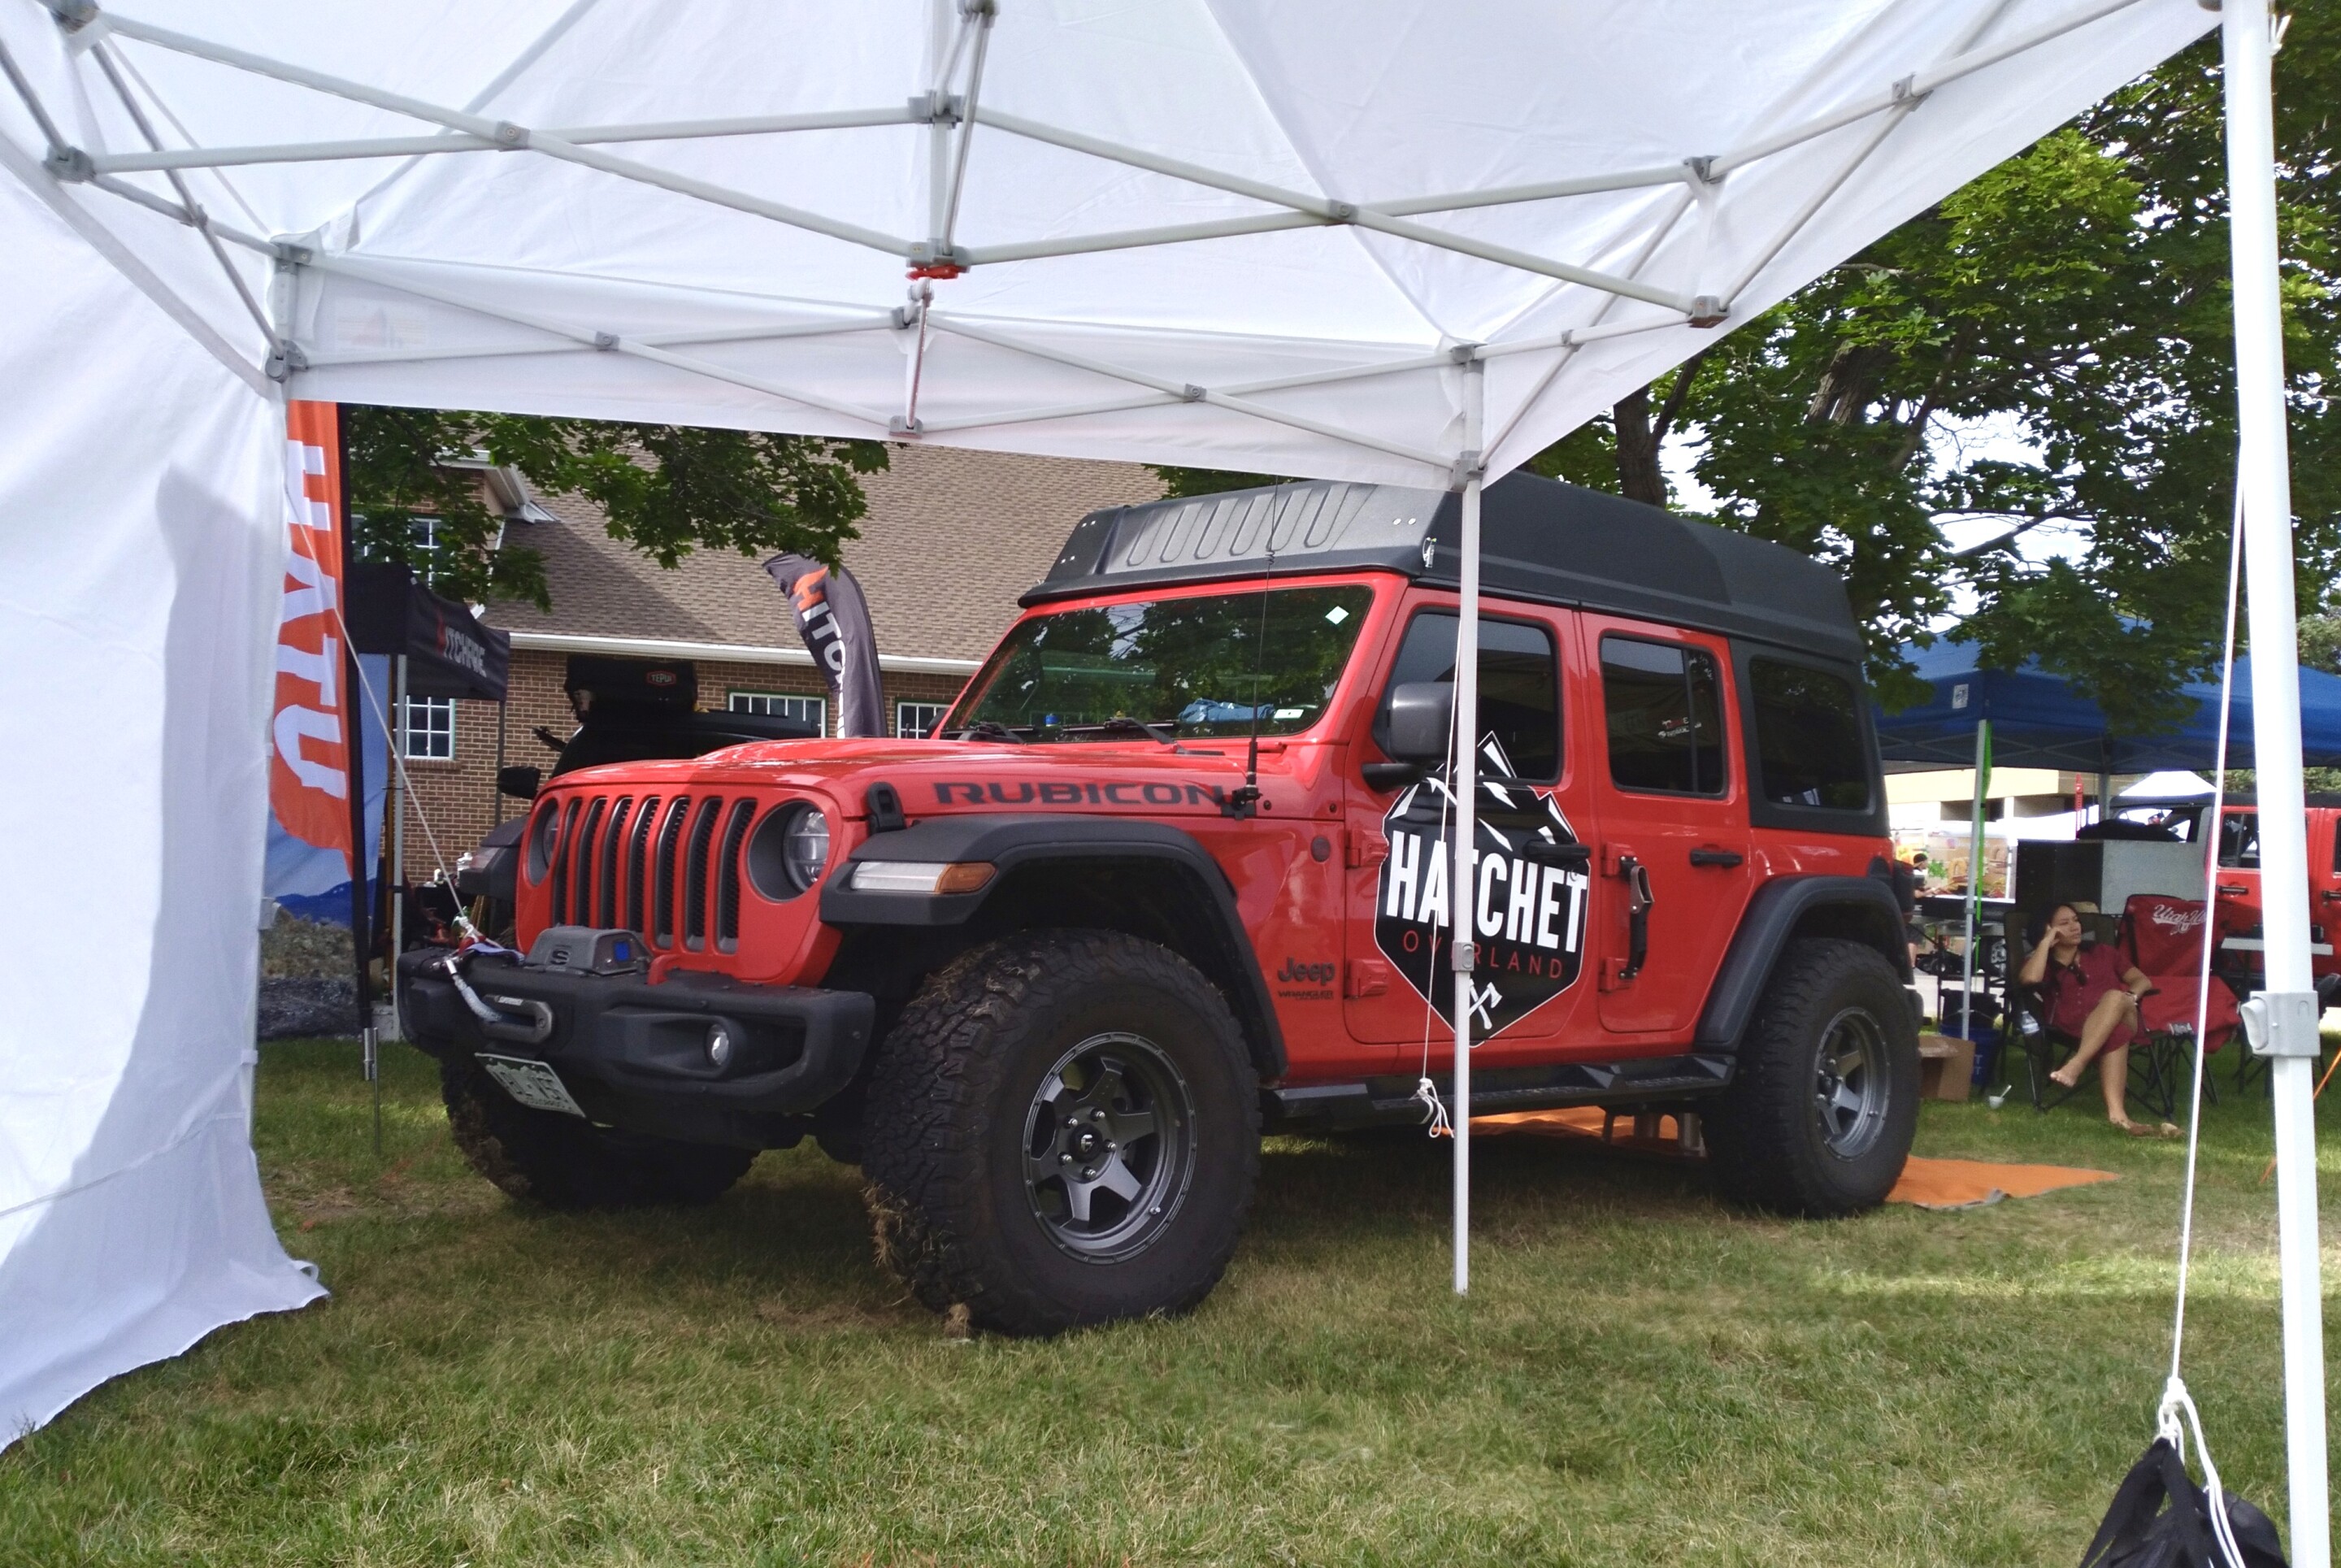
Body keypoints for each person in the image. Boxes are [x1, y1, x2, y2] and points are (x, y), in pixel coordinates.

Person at [2017, 902, 2172, 1136]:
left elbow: (2142, 981)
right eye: (2064, 923)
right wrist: (2046, 942)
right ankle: (2119, 1117)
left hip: (2126, 1014)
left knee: (2115, 997)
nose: (2075, 926)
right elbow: (2029, 979)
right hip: (2073, 1026)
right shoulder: (2044, 963)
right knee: (2115, 1032)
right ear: (2048, 929)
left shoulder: (2103, 953)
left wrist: (2130, 998)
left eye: (2076, 920)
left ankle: (2076, 1064)